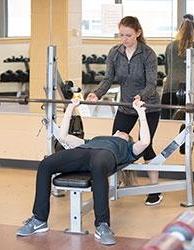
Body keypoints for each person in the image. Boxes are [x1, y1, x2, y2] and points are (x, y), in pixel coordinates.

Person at [16, 99, 150, 245]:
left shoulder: (128, 148)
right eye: (119, 131)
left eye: (124, 133)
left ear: (128, 139)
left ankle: (102, 225)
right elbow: (63, 137)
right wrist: (71, 107)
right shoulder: (92, 140)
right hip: (83, 151)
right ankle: (39, 220)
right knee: (45, 165)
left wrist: (141, 113)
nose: (120, 131)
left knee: (98, 167)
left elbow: (145, 142)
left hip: (105, 155)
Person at [86, 16, 162, 206]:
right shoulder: (115, 52)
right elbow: (108, 79)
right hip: (126, 106)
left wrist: (141, 97)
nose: (124, 39)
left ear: (138, 33)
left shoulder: (147, 54)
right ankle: (115, 182)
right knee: (115, 143)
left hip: (148, 106)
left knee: (146, 145)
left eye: (128, 35)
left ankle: (154, 190)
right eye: (121, 35)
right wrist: (96, 94)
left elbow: (152, 83)